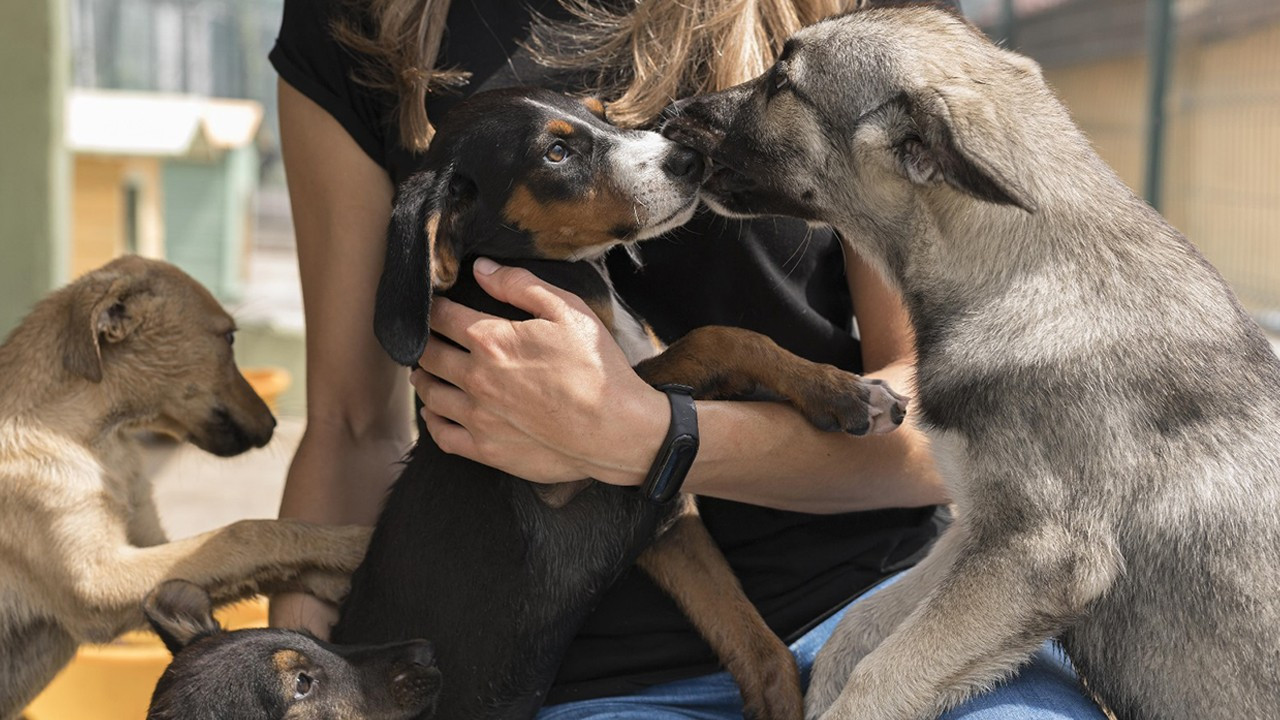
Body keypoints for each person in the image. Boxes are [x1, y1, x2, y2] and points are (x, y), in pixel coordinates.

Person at [268, 0, 1107, 717]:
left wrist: (649, 437)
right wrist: (295, 685)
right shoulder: (363, 22)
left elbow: (960, 419)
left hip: (887, 612)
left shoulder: (858, 24)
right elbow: (350, 428)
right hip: (587, 683)